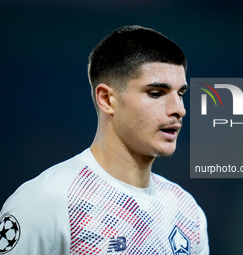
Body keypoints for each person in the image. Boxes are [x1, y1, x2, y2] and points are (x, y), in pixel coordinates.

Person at [0, 25, 209, 254]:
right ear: (107, 99)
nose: (179, 109)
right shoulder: (48, 200)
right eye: (156, 93)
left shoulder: (187, 212)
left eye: (181, 94)